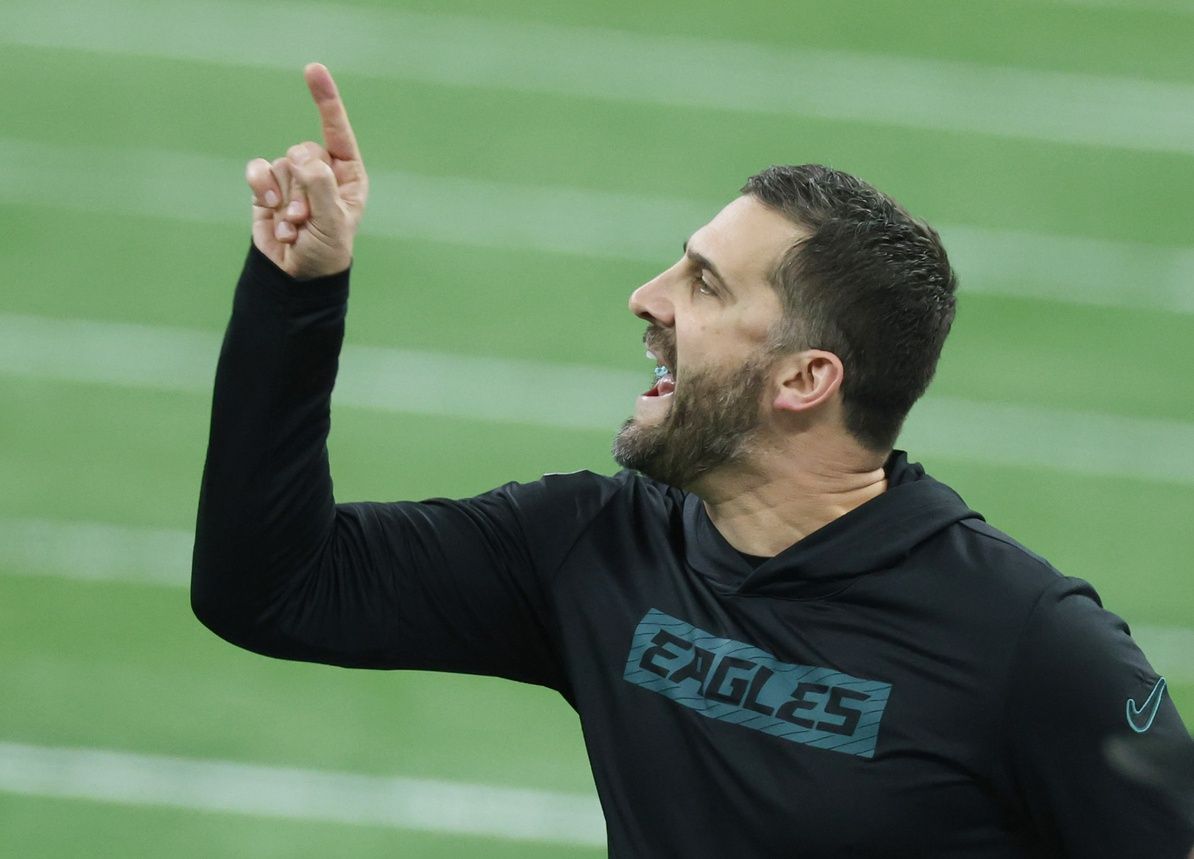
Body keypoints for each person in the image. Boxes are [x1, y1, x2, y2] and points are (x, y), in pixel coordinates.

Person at [192, 63, 1194, 857]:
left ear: (804, 378)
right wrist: (298, 291)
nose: (648, 295)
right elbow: (271, 589)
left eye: (704, 284)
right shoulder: (590, 546)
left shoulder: (1034, 647)